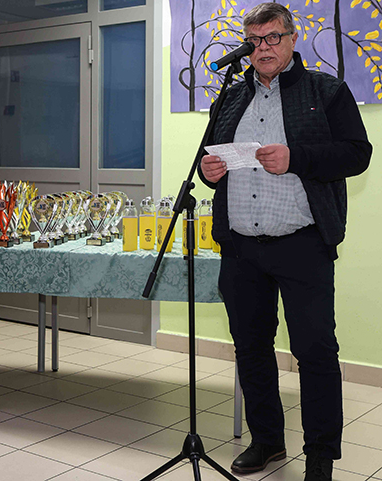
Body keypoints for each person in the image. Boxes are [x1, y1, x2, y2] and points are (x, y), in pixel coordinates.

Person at [198, 3, 372, 481]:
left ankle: (320, 456)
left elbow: (357, 154)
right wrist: (209, 172)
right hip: (241, 247)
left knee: (315, 352)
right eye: (255, 40)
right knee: (251, 348)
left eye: (273, 37)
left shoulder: (326, 91)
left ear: (292, 39)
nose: (263, 48)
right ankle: (267, 442)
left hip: (302, 244)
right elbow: (210, 163)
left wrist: (296, 158)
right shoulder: (229, 99)